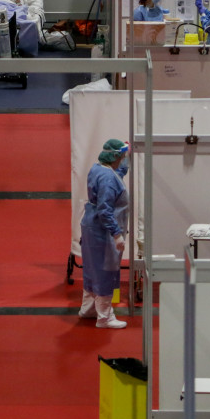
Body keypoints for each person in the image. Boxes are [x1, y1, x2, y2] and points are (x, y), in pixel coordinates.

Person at [79, 139, 129, 330]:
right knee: (105, 272)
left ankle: (88, 309)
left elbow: (119, 172)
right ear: (115, 157)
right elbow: (105, 210)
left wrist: (129, 154)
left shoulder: (98, 169)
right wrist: (116, 234)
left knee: (92, 269)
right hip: (103, 232)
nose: (123, 160)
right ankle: (104, 318)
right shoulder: (108, 179)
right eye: (122, 157)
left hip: (91, 227)